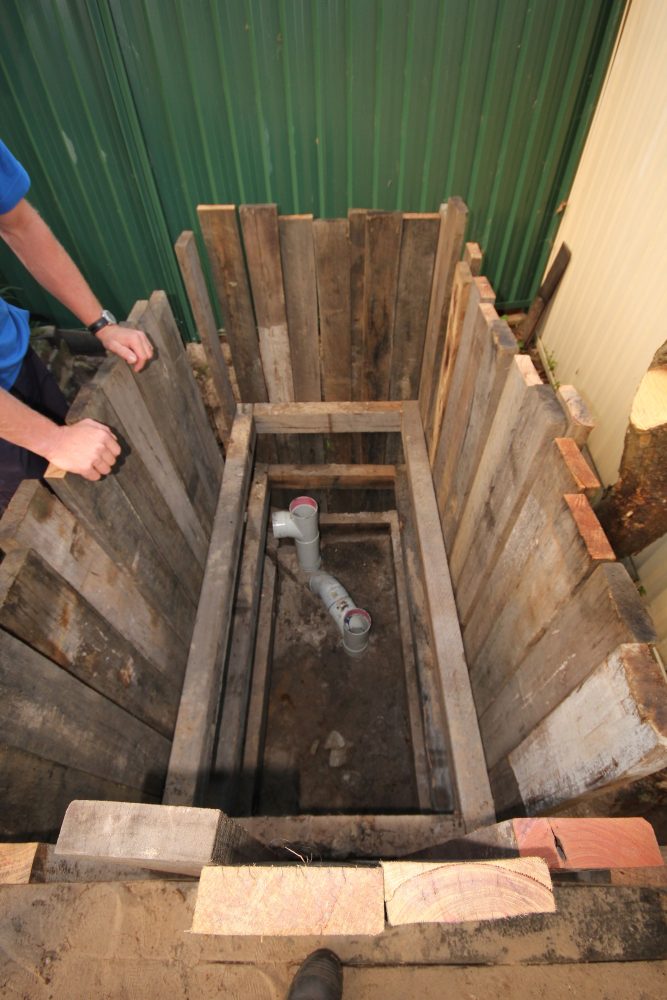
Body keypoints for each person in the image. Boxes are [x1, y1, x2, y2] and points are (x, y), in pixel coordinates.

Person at [0, 138, 153, 512]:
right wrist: (52, 441)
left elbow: (19, 225)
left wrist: (101, 324)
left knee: (75, 487)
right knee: (35, 525)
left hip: (14, 358)